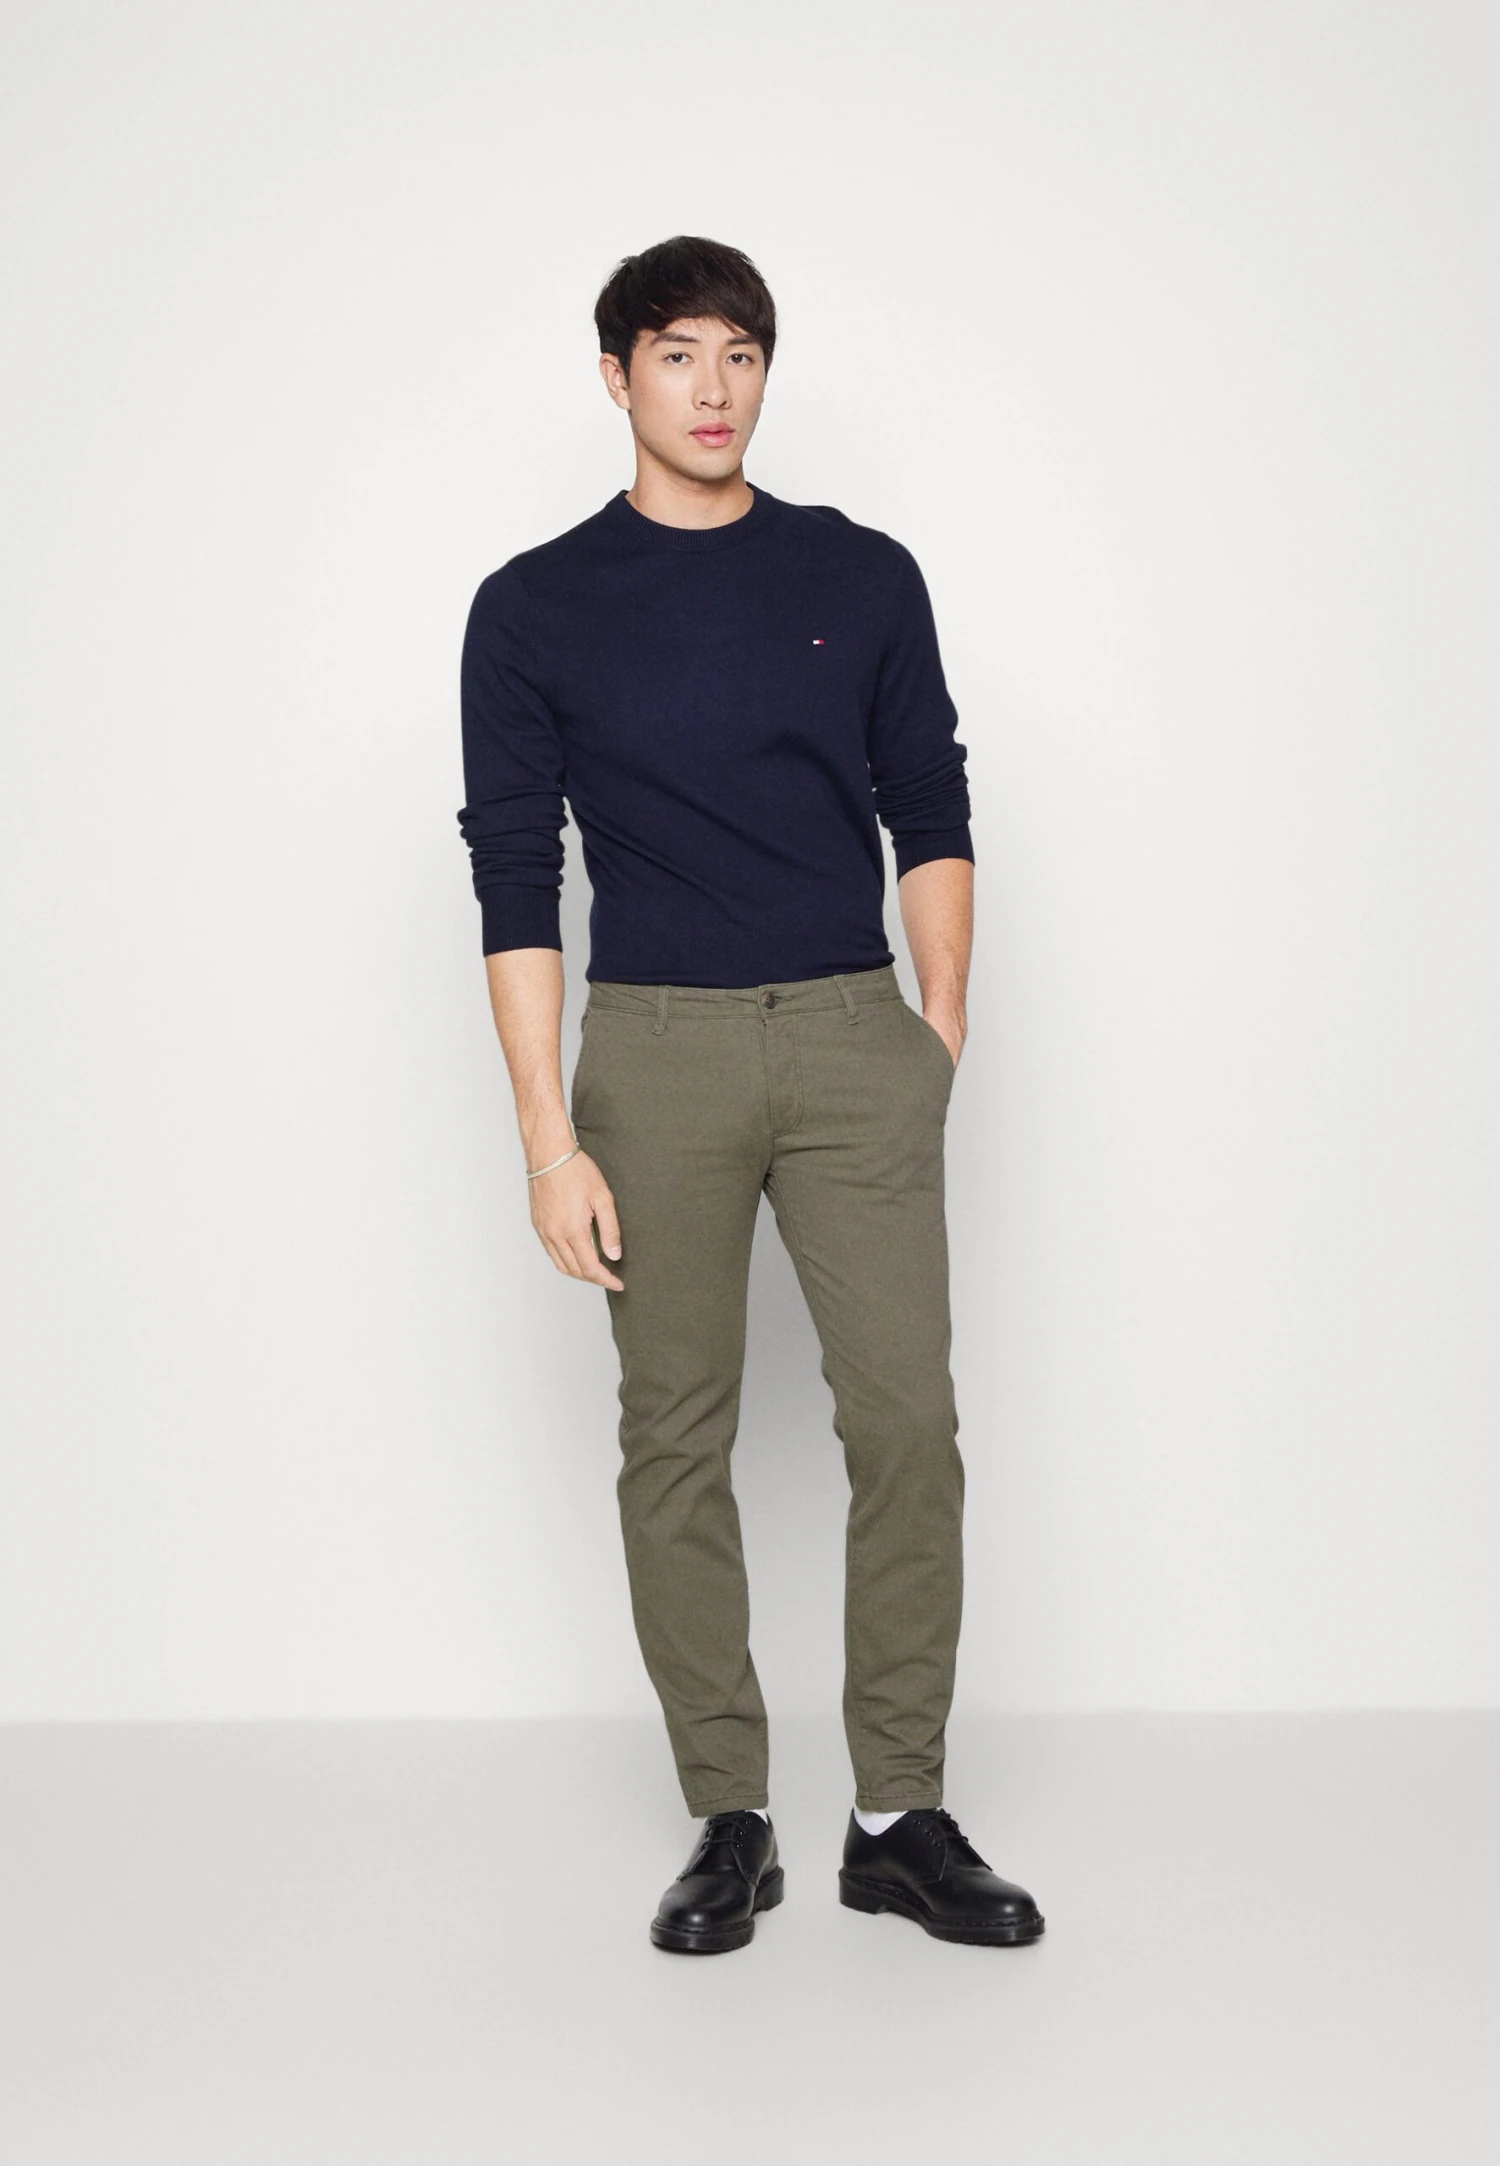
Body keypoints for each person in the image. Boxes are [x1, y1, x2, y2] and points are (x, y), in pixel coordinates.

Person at [457, 235, 1043, 1954]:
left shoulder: (860, 573)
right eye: (677, 354)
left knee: (908, 1422)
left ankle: (897, 1814)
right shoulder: (534, 605)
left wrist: (936, 1027)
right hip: (656, 1055)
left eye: (741, 355)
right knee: (675, 1434)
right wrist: (548, 1139)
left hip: (856, 1036)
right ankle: (732, 1812)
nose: (714, 389)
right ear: (617, 376)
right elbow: (514, 873)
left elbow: (931, 797)